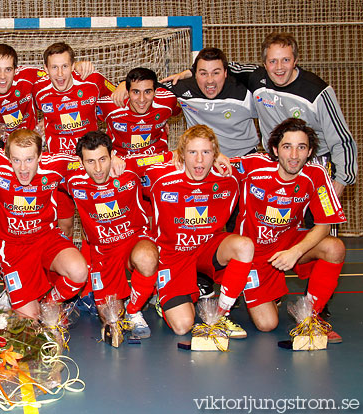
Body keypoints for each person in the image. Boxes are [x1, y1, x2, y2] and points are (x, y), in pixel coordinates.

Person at [231, 118, 345, 341]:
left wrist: (295, 252)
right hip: (253, 253)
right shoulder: (252, 165)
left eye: (301, 147)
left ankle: (311, 317)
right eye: (287, 147)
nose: (294, 155)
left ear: (310, 150)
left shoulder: (316, 175)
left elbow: (325, 224)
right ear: (275, 149)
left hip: (289, 243)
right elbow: (213, 162)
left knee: (335, 248)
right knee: (267, 325)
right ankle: (260, 291)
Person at [143, 125, 253, 337]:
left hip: (206, 249)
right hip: (173, 255)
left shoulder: (228, 176)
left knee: (244, 245)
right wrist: (167, 156)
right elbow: (132, 165)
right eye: (192, 152)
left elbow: (271, 163)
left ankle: (221, 314)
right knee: (183, 326)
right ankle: (164, 296)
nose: (199, 160)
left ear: (216, 154)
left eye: (206, 152)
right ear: (182, 154)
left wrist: (224, 158)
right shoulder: (160, 176)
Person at [230, 33, 355, 196]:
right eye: (273, 61)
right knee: (277, 218)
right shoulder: (257, 79)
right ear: (264, 64)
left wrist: (341, 180)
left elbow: (342, 140)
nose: (279, 67)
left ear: (295, 61)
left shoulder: (317, 92)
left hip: (316, 166)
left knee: (320, 220)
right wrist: (189, 74)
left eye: (286, 60)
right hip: (277, 166)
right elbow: (220, 68)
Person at [65, 131, 158, 338]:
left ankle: (134, 310)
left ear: (112, 155)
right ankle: (121, 303)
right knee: (110, 321)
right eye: (90, 161)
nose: (98, 169)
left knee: (147, 257)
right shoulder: (73, 180)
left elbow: (170, 156)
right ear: (80, 162)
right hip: (103, 254)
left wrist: (218, 157)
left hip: (134, 241)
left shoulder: (130, 168)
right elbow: (37, 161)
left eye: (103, 159)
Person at [0, 128, 88, 319]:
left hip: (46, 239)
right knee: (30, 321)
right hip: (13, 247)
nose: (23, 168)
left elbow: (91, 160)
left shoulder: (56, 164)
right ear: (7, 156)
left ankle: (49, 303)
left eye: (29, 159)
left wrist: (114, 157)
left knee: (79, 271)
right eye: (16, 160)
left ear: (41, 155)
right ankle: (14, 294)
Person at [32, 42, 115, 237]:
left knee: (97, 223)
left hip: (91, 167)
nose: (60, 74)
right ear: (45, 69)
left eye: (65, 66)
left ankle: (96, 264)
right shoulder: (38, 91)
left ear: (73, 65)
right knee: (64, 226)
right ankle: (69, 265)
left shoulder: (92, 81)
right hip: (60, 168)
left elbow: (121, 99)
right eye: (54, 67)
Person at [114, 48, 259, 158]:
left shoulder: (244, 94)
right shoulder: (183, 87)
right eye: (203, 73)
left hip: (243, 157)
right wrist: (123, 85)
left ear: (226, 73)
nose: (210, 80)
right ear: (194, 74)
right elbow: (146, 87)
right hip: (203, 160)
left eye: (216, 72)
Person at [0, 43, 95, 137]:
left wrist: (76, 67)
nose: (2, 76)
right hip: (0, 144)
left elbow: (56, 73)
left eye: (8, 69)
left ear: (15, 70)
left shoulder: (28, 77)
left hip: (31, 142)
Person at [97, 67, 180, 156]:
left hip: (156, 160)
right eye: (136, 92)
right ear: (127, 92)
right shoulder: (110, 104)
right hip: (121, 164)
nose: (141, 99)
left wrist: (163, 120)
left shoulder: (167, 101)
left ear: (156, 91)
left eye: (147, 92)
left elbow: (182, 106)